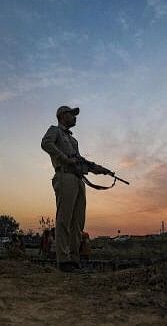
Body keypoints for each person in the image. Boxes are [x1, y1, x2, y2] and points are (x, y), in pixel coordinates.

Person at [41, 106, 110, 272]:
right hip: (65, 177)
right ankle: (64, 260)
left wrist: (99, 169)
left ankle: (74, 259)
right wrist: (65, 159)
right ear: (63, 115)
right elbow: (45, 143)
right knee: (64, 218)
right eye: (72, 114)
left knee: (78, 222)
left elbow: (80, 160)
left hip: (78, 179)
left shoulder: (73, 140)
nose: (75, 117)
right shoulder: (54, 131)